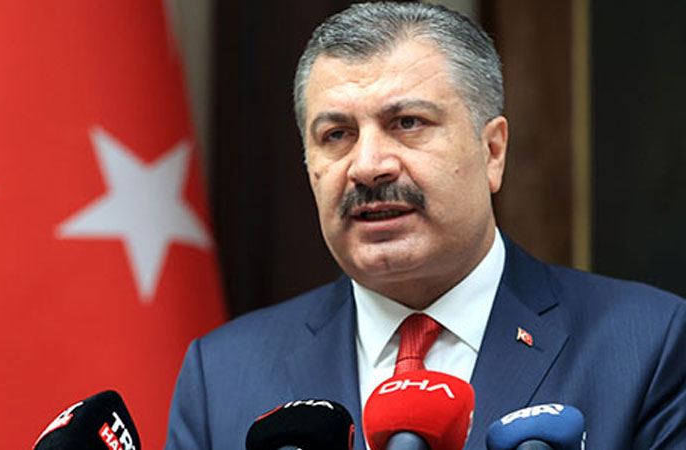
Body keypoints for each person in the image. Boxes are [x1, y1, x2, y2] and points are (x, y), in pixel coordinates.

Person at [165, 3, 686, 449]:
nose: (368, 166)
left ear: (492, 151)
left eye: (407, 123)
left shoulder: (648, 347)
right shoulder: (223, 375)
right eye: (337, 134)